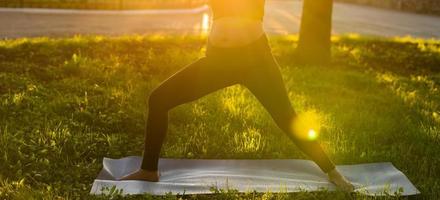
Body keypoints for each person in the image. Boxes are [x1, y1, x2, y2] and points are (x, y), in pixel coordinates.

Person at [120, 0, 354, 191]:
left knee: (286, 118)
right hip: (217, 61)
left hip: (256, 60)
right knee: (158, 99)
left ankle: (332, 171)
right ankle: (149, 170)